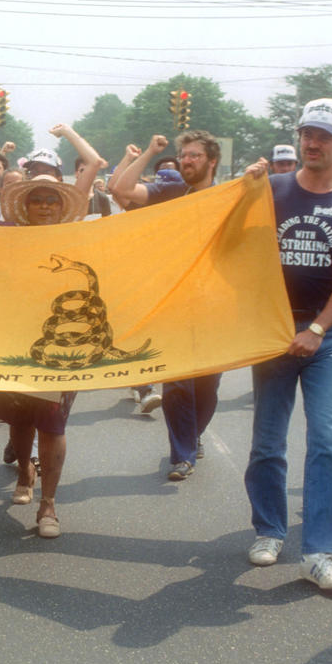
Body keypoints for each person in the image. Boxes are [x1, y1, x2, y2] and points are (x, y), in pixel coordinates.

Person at [243, 98, 332, 591]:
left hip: (327, 336)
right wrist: (244, 188)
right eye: (306, 134)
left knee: (327, 440)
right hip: (274, 330)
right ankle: (270, 531)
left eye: (323, 136)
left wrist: (316, 330)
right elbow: (230, 237)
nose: (312, 143)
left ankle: (320, 552)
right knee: (268, 439)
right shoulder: (272, 190)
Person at [0, 136, 99, 539]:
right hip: (13, 342)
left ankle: (48, 503)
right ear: (25, 205)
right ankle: (24, 473)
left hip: (62, 345)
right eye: (38, 200)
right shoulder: (3, 231)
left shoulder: (75, 235)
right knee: (20, 419)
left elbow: (95, 168)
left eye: (53, 200)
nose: (46, 207)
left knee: (53, 424)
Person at [110, 129, 225, 481]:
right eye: (184, 155)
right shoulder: (172, 191)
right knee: (177, 383)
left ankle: (194, 434)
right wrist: (148, 150)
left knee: (207, 384)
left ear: (212, 161)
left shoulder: (229, 196)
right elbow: (122, 190)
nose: (187, 161)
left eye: (195, 156)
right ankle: (182, 454)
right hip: (172, 303)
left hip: (215, 306)